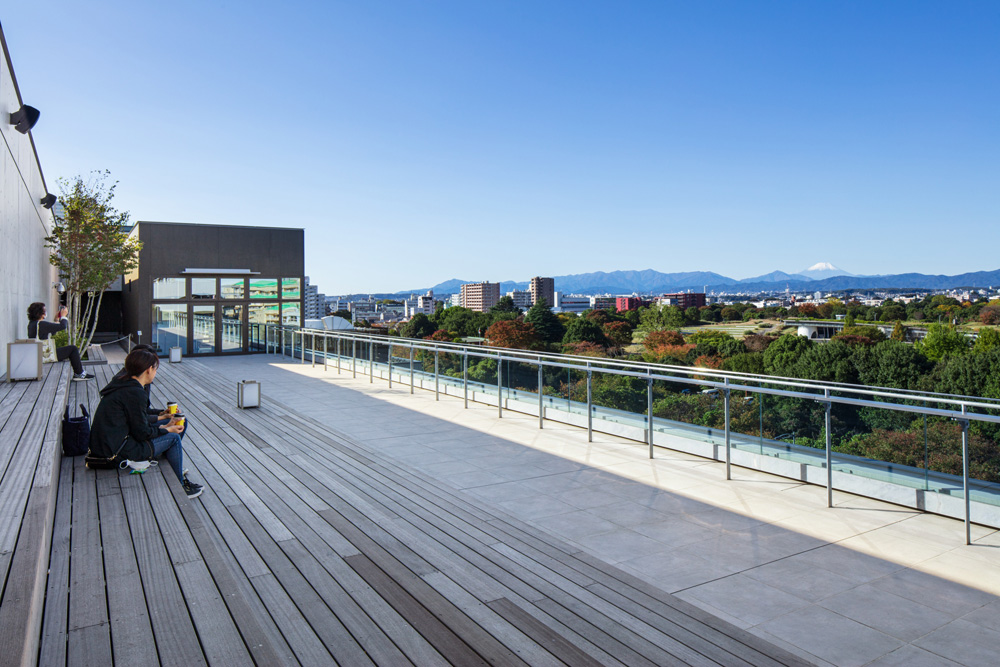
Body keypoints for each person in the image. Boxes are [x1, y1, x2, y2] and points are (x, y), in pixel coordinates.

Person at [90, 347, 205, 498]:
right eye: (155, 368)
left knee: (176, 425)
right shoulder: (135, 392)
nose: (155, 372)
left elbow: (138, 419)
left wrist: (162, 417)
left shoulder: (125, 384)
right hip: (116, 452)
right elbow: (142, 432)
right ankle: (180, 486)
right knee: (174, 438)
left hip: (112, 443)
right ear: (149, 370)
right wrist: (167, 430)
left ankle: (168, 461)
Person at [112, 344, 191, 441]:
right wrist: (165, 426)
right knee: (173, 438)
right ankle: (158, 451)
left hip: (126, 434)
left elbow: (143, 411)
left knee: (179, 423)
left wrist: (161, 413)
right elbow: (140, 425)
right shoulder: (132, 388)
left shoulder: (132, 381)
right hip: (125, 438)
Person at [26, 302, 93, 381]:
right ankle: (79, 373)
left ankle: (79, 373)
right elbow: (62, 326)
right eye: (45, 311)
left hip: (39, 354)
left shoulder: (32, 324)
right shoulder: (41, 324)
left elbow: (52, 330)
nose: (46, 312)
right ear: (41, 314)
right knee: (73, 349)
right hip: (44, 355)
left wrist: (57, 319)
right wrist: (63, 316)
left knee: (68, 350)